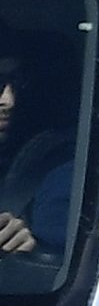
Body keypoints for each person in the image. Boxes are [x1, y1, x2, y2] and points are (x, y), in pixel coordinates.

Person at [0, 41, 77, 264]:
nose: (8, 101)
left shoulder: (65, 175)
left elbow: (74, 278)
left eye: (18, 84)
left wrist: (33, 251)